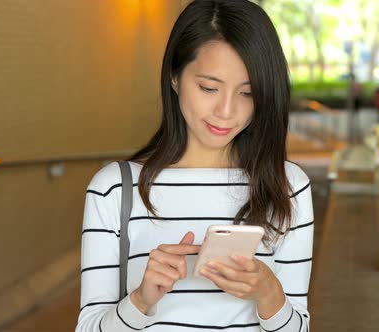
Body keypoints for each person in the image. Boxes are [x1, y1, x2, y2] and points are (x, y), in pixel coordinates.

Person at [76, 1, 314, 331]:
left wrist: (269, 295)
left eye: (247, 93)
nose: (226, 111)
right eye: (208, 88)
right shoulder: (114, 189)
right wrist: (141, 301)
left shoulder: (287, 186)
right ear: (174, 76)